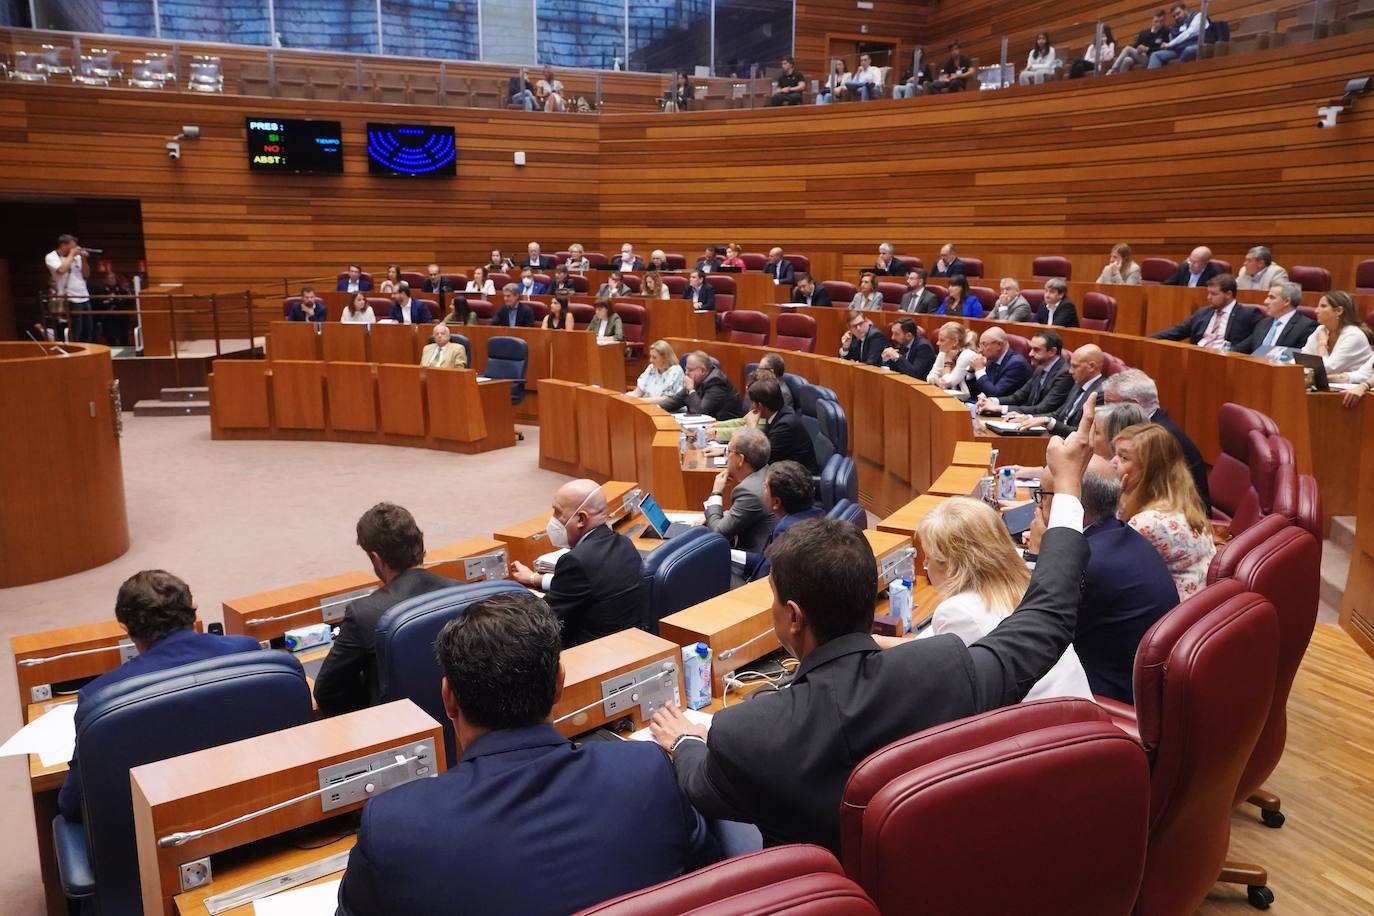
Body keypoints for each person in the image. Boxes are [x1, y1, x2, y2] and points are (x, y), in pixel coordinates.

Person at [649, 413, 1096, 852]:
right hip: (947, 869)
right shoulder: (946, 668)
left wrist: (686, 740)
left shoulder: (746, 731)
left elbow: (699, 786)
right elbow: (1047, 615)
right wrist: (1069, 489)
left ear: (793, 616)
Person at [336, 590, 715, 916]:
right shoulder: (648, 770)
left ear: (448, 698)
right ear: (559, 686)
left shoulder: (392, 827)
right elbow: (711, 879)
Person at [57, 570, 261, 821]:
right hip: (259, 812)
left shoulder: (101, 696)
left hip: (156, 841)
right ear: (193, 609)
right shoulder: (249, 653)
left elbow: (72, 805)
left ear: (125, 628)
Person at [1027, 463, 1178, 704]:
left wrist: (1036, 557)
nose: (1036, 505)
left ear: (1066, 502)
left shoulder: (1086, 562)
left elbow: (1028, 630)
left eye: (1041, 496)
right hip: (1133, 679)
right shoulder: (1119, 535)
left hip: (1105, 697)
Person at [916, 498, 1093, 701]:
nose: (924, 563)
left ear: (952, 565)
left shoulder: (956, 611)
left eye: (928, 557)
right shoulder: (1026, 586)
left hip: (1037, 727)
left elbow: (945, 687)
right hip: (1080, 715)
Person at [314, 504, 455, 713]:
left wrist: (377, 694)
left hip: (403, 730)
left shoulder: (365, 613)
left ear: (377, 559)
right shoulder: (463, 592)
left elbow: (326, 692)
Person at [509, 481, 642, 646]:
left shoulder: (576, 561)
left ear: (581, 519)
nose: (553, 520)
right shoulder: (624, 543)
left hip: (591, 654)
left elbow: (544, 618)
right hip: (631, 642)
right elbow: (589, 584)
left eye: (558, 512)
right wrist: (534, 578)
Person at [1112, 423, 1216, 598]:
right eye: (1115, 454)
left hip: (1174, 618)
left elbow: (1109, 569)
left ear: (1149, 471)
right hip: (1196, 609)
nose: (1113, 462)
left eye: (1123, 458)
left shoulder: (1148, 523)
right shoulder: (1179, 501)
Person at [1102, 368, 1211, 512]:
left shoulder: (1160, 437)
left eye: (1109, 403)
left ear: (1133, 404)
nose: (1105, 409)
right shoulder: (1150, 426)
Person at [742, 461, 823, 581]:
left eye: (765, 487)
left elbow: (764, 577)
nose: (762, 489)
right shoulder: (817, 512)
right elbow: (763, 560)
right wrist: (728, 554)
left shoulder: (787, 532)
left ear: (776, 503)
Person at [703, 427, 777, 554]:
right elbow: (741, 515)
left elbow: (717, 534)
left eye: (729, 451)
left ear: (740, 459)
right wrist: (712, 515)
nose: (726, 456)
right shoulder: (765, 472)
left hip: (751, 564)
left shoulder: (749, 492)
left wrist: (716, 493)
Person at [1012, 343, 1106, 434]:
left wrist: (1048, 422)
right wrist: (1029, 418)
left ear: (1091, 366)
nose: (1070, 371)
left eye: (1075, 366)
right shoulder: (1079, 384)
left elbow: (1082, 433)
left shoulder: (1101, 394)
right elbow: (1059, 414)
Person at [977, 329, 1073, 418]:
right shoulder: (1040, 368)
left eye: (1036, 350)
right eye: (1031, 349)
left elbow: (1043, 408)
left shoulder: (1065, 374)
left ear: (1052, 351)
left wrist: (1000, 408)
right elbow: (1018, 397)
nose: (1030, 354)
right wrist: (991, 401)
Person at [1150, 274, 1261, 349]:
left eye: (1214, 294)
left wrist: (1233, 352)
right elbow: (1178, 331)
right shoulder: (1203, 312)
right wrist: (1149, 339)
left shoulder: (1248, 314)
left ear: (1228, 294)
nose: (1208, 297)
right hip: (1198, 355)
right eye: (1208, 293)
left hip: (1226, 360)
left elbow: (1255, 340)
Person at [750, 376, 818, 473]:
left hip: (797, 479)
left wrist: (752, 428)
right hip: (784, 471)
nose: (751, 407)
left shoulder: (785, 425)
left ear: (760, 406)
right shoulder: (777, 413)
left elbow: (760, 459)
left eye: (752, 403)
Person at [1302, 290, 1374, 376]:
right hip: (1330, 385)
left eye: (1323, 306)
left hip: (1355, 386)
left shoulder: (1354, 336)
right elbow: (1303, 358)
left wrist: (1322, 344)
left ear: (1339, 311)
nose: (1316, 311)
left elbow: (1326, 369)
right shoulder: (1321, 329)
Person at [1234, 281, 1317, 354]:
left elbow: (1302, 359)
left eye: (1272, 297)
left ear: (1287, 301)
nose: (1265, 301)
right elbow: (1240, 349)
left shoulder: (1306, 327)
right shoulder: (1263, 323)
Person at [661, 350, 745, 419]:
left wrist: (691, 390)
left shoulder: (716, 381)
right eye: (686, 369)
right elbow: (675, 401)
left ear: (703, 371)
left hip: (724, 428)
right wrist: (655, 408)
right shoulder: (697, 379)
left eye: (690, 370)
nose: (686, 373)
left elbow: (701, 413)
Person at [46, 234, 92, 343]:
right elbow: (61, 270)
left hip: (84, 296)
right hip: (70, 298)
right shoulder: (51, 257)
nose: (75, 249)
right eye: (72, 247)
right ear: (63, 245)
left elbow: (86, 274)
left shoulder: (76, 257)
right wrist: (71, 255)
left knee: (88, 329)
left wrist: (84, 259)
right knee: (76, 330)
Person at [969, 326, 1031, 399]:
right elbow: (974, 394)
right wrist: (972, 371)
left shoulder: (1016, 364)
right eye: (980, 345)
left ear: (999, 345)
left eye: (984, 345)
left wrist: (979, 369)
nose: (980, 350)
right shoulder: (992, 361)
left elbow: (995, 394)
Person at [1110, 9, 1171, 74]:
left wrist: (1147, 49)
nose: (1158, 24)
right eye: (1156, 21)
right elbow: (1135, 46)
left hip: (1151, 58)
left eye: (1161, 21)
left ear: (1164, 21)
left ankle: (1112, 71)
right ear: (1152, 21)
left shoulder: (1166, 31)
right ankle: (1120, 81)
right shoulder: (1144, 33)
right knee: (1127, 60)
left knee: (1127, 49)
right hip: (1140, 56)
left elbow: (1163, 48)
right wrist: (1138, 49)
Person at [926, 320, 978, 397]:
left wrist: (948, 363)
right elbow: (931, 375)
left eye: (942, 340)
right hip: (951, 396)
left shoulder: (967, 354)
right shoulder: (943, 352)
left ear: (955, 342)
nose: (937, 343)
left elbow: (948, 382)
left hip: (969, 401)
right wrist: (936, 380)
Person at [1149, 1, 1207, 69]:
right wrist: (1166, 46)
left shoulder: (1198, 16)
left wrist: (1170, 44)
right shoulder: (1176, 25)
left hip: (1195, 45)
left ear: (1185, 10)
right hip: (1178, 50)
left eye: (1178, 13)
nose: (1176, 17)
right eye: (1174, 16)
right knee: (1155, 55)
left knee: (1188, 50)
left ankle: (1180, 74)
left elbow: (1189, 33)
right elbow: (1171, 38)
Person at [89, 269, 131, 345]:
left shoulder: (121, 290)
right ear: (105, 280)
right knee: (110, 340)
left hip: (121, 318)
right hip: (108, 319)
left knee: (124, 340)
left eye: (114, 278)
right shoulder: (101, 291)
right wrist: (111, 301)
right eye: (110, 278)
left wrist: (113, 301)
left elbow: (126, 303)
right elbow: (101, 304)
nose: (112, 280)